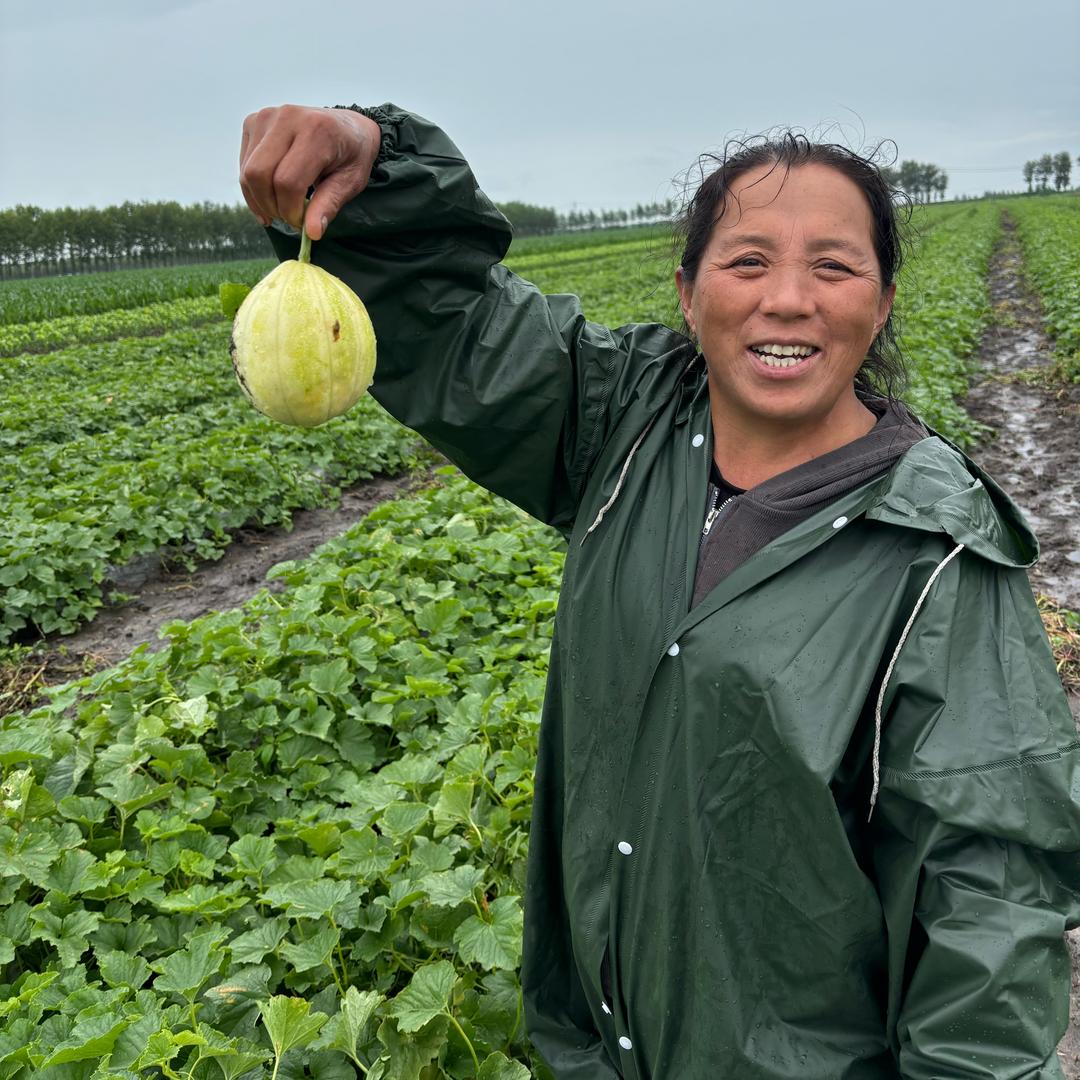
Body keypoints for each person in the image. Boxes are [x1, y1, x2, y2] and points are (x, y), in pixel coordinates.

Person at [239, 103, 1080, 1079]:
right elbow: (447, 320)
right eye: (748, 261)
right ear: (688, 294)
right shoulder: (624, 425)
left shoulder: (936, 558)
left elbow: (990, 905)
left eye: (835, 266)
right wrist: (374, 167)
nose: (789, 299)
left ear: (883, 301)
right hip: (603, 1049)